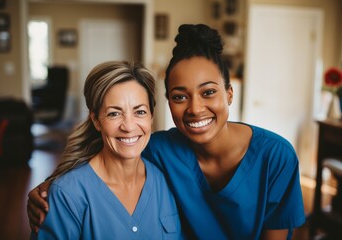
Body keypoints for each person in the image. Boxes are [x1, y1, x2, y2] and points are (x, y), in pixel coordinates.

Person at [27, 24, 305, 239]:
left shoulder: (276, 157)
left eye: (208, 92)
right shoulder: (161, 149)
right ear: (168, 102)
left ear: (229, 94)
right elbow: (109, 149)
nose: (195, 109)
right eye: (180, 96)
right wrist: (51, 187)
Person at [30, 61, 183, 239]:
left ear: (151, 116)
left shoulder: (163, 182)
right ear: (96, 120)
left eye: (140, 112)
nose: (128, 126)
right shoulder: (67, 194)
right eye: (114, 113)